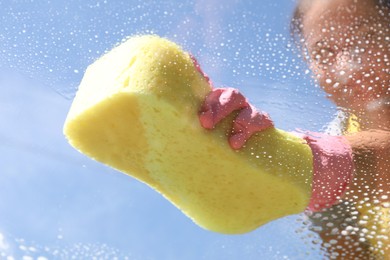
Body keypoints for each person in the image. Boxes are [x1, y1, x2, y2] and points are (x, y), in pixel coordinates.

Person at [199, 0, 389, 258]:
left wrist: (295, 157)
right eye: (324, 53)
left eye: (367, 36)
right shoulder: (335, 139)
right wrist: (237, 139)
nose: (346, 66)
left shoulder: (326, 154)